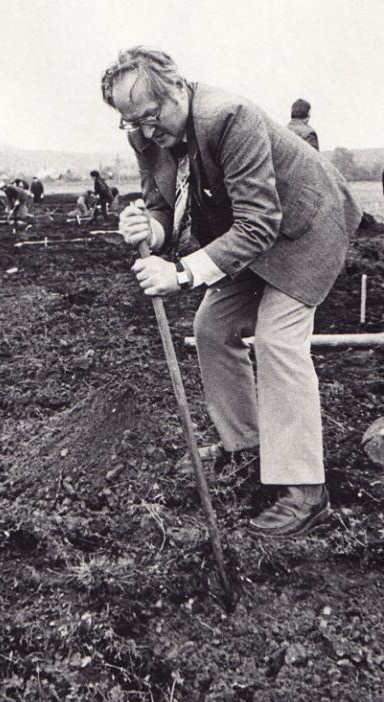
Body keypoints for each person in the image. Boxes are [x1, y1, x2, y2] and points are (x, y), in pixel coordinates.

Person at [102, 46, 362, 537]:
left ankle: (305, 489)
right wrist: (148, 230)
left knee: (278, 340)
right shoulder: (147, 135)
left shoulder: (228, 116)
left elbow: (261, 222)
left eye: (153, 117)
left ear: (177, 87)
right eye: (133, 122)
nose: (148, 131)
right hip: (247, 234)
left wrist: (180, 274)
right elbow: (162, 206)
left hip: (307, 226)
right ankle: (247, 449)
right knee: (211, 326)